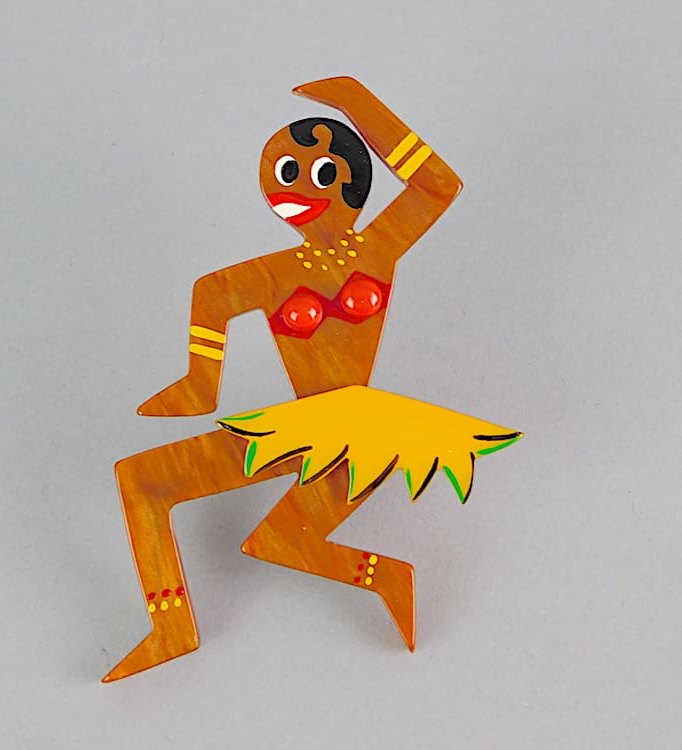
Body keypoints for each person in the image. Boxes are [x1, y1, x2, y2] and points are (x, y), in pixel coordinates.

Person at [102, 77, 521, 682]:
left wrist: (356, 102)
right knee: (227, 520)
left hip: (360, 430)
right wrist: (199, 384)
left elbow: (437, 185)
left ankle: (181, 627)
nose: (295, 189)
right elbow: (212, 294)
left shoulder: (378, 247)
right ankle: (179, 626)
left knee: (164, 490)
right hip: (308, 427)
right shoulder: (272, 273)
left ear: (352, 185)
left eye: (319, 174)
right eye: (284, 174)